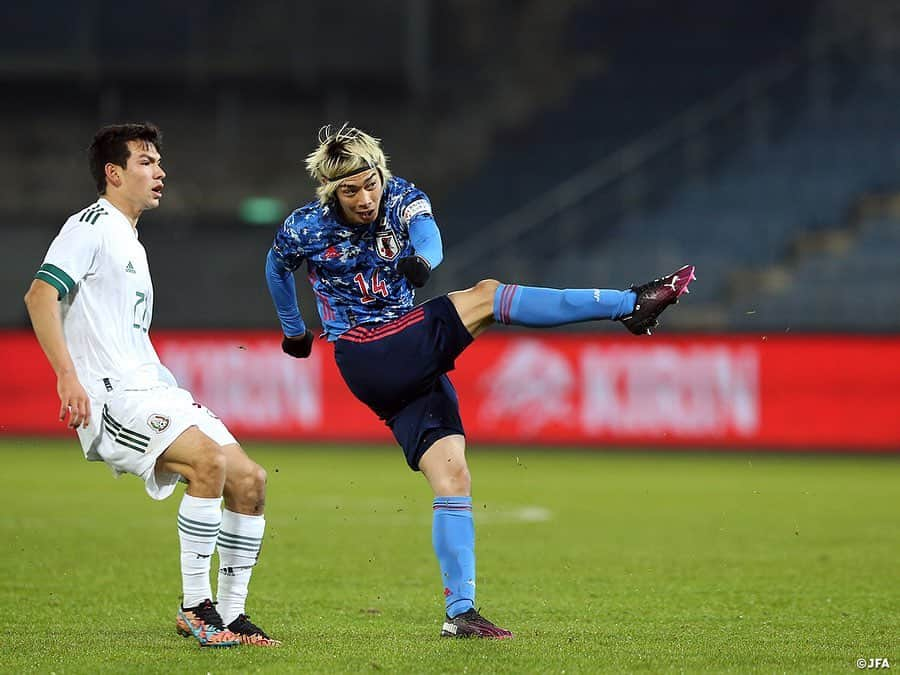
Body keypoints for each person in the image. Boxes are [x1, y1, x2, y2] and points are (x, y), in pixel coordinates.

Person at [265, 124, 695, 639]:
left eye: (370, 183)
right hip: (366, 351)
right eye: (349, 191)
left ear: (382, 173)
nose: (365, 198)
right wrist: (294, 330)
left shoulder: (402, 197)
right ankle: (631, 305)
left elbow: (428, 234)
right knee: (488, 295)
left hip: (408, 359)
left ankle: (460, 612)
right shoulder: (305, 226)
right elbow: (276, 266)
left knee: (453, 479)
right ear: (330, 191)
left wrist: (422, 261)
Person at [24, 123, 279, 648]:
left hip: (155, 388)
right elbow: (39, 296)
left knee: (250, 481)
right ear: (113, 174)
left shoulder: (129, 238)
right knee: (207, 462)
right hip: (112, 396)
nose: (159, 171)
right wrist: (68, 377)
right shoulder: (90, 225)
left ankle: (230, 618)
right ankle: (195, 609)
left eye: (159, 161)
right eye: (145, 161)